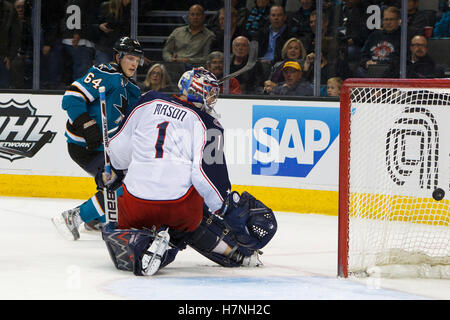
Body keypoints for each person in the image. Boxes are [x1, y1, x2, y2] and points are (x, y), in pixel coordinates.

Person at [98, 67, 277, 276]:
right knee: (199, 210)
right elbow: (205, 177)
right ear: (197, 90)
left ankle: (138, 239)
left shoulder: (148, 101)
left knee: (130, 199)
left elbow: (118, 148)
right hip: (177, 209)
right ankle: (200, 247)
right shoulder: (209, 123)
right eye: (210, 93)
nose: (212, 100)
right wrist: (226, 207)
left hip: (133, 205)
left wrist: (115, 173)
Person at [52, 36, 143, 239]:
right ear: (118, 57)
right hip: (84, 145)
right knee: (122, 185)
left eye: (137, 60)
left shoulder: (133, 89)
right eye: (130, 58)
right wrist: (87, 124)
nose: (134, 64)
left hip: (107, 148)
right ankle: (73, 217)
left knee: (125, 180)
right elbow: (72, 97)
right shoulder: (105, 73)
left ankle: (96, 218)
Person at [357, 6, 402, 78]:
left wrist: (379, 64)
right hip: (371, 69)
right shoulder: (375, 35)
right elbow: (363, 55)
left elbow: (400, 60)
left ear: (398, 21)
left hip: (390, 70)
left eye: (391, 19)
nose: (388, 22)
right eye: (386, 19)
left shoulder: (402, 36)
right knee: (359, 71)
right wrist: (366, 62)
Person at [95, 0, 132, 65]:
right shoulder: (107, 6)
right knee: (104, 72)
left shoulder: (132, 7)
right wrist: (100, 26)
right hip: (106, 46)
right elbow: (95, 23)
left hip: (123, 48)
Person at [0, 0, 21, 88]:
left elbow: (15, 36)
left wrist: (10, 56)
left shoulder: (10, 9)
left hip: (3, 57)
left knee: (3, 87)